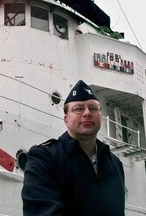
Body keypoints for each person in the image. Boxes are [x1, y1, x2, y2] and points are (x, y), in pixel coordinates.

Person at [21, 80, 125, 216]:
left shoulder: (115, 164)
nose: (87, 113)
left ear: (100, 116)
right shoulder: (44, 157)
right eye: (78, 108)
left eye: (93, 108)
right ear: (66, 120)